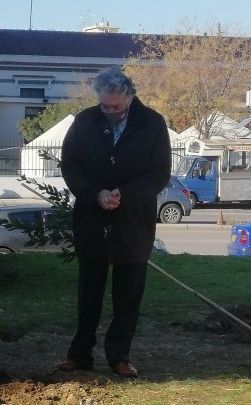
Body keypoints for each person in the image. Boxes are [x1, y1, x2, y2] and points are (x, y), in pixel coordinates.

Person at [56, 66, 171, 378]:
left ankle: (119, 356)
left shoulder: (153, 123)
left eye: (116, 107)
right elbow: (70, 165)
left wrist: (128, 195)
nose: (109, 111)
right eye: (104, 105)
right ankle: (80, 354)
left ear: (130, 97)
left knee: (128, 295)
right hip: (93, 218)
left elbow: (160, 173)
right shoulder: (84, 121)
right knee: (88, 293)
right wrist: (95, 194)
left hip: (134, 221)